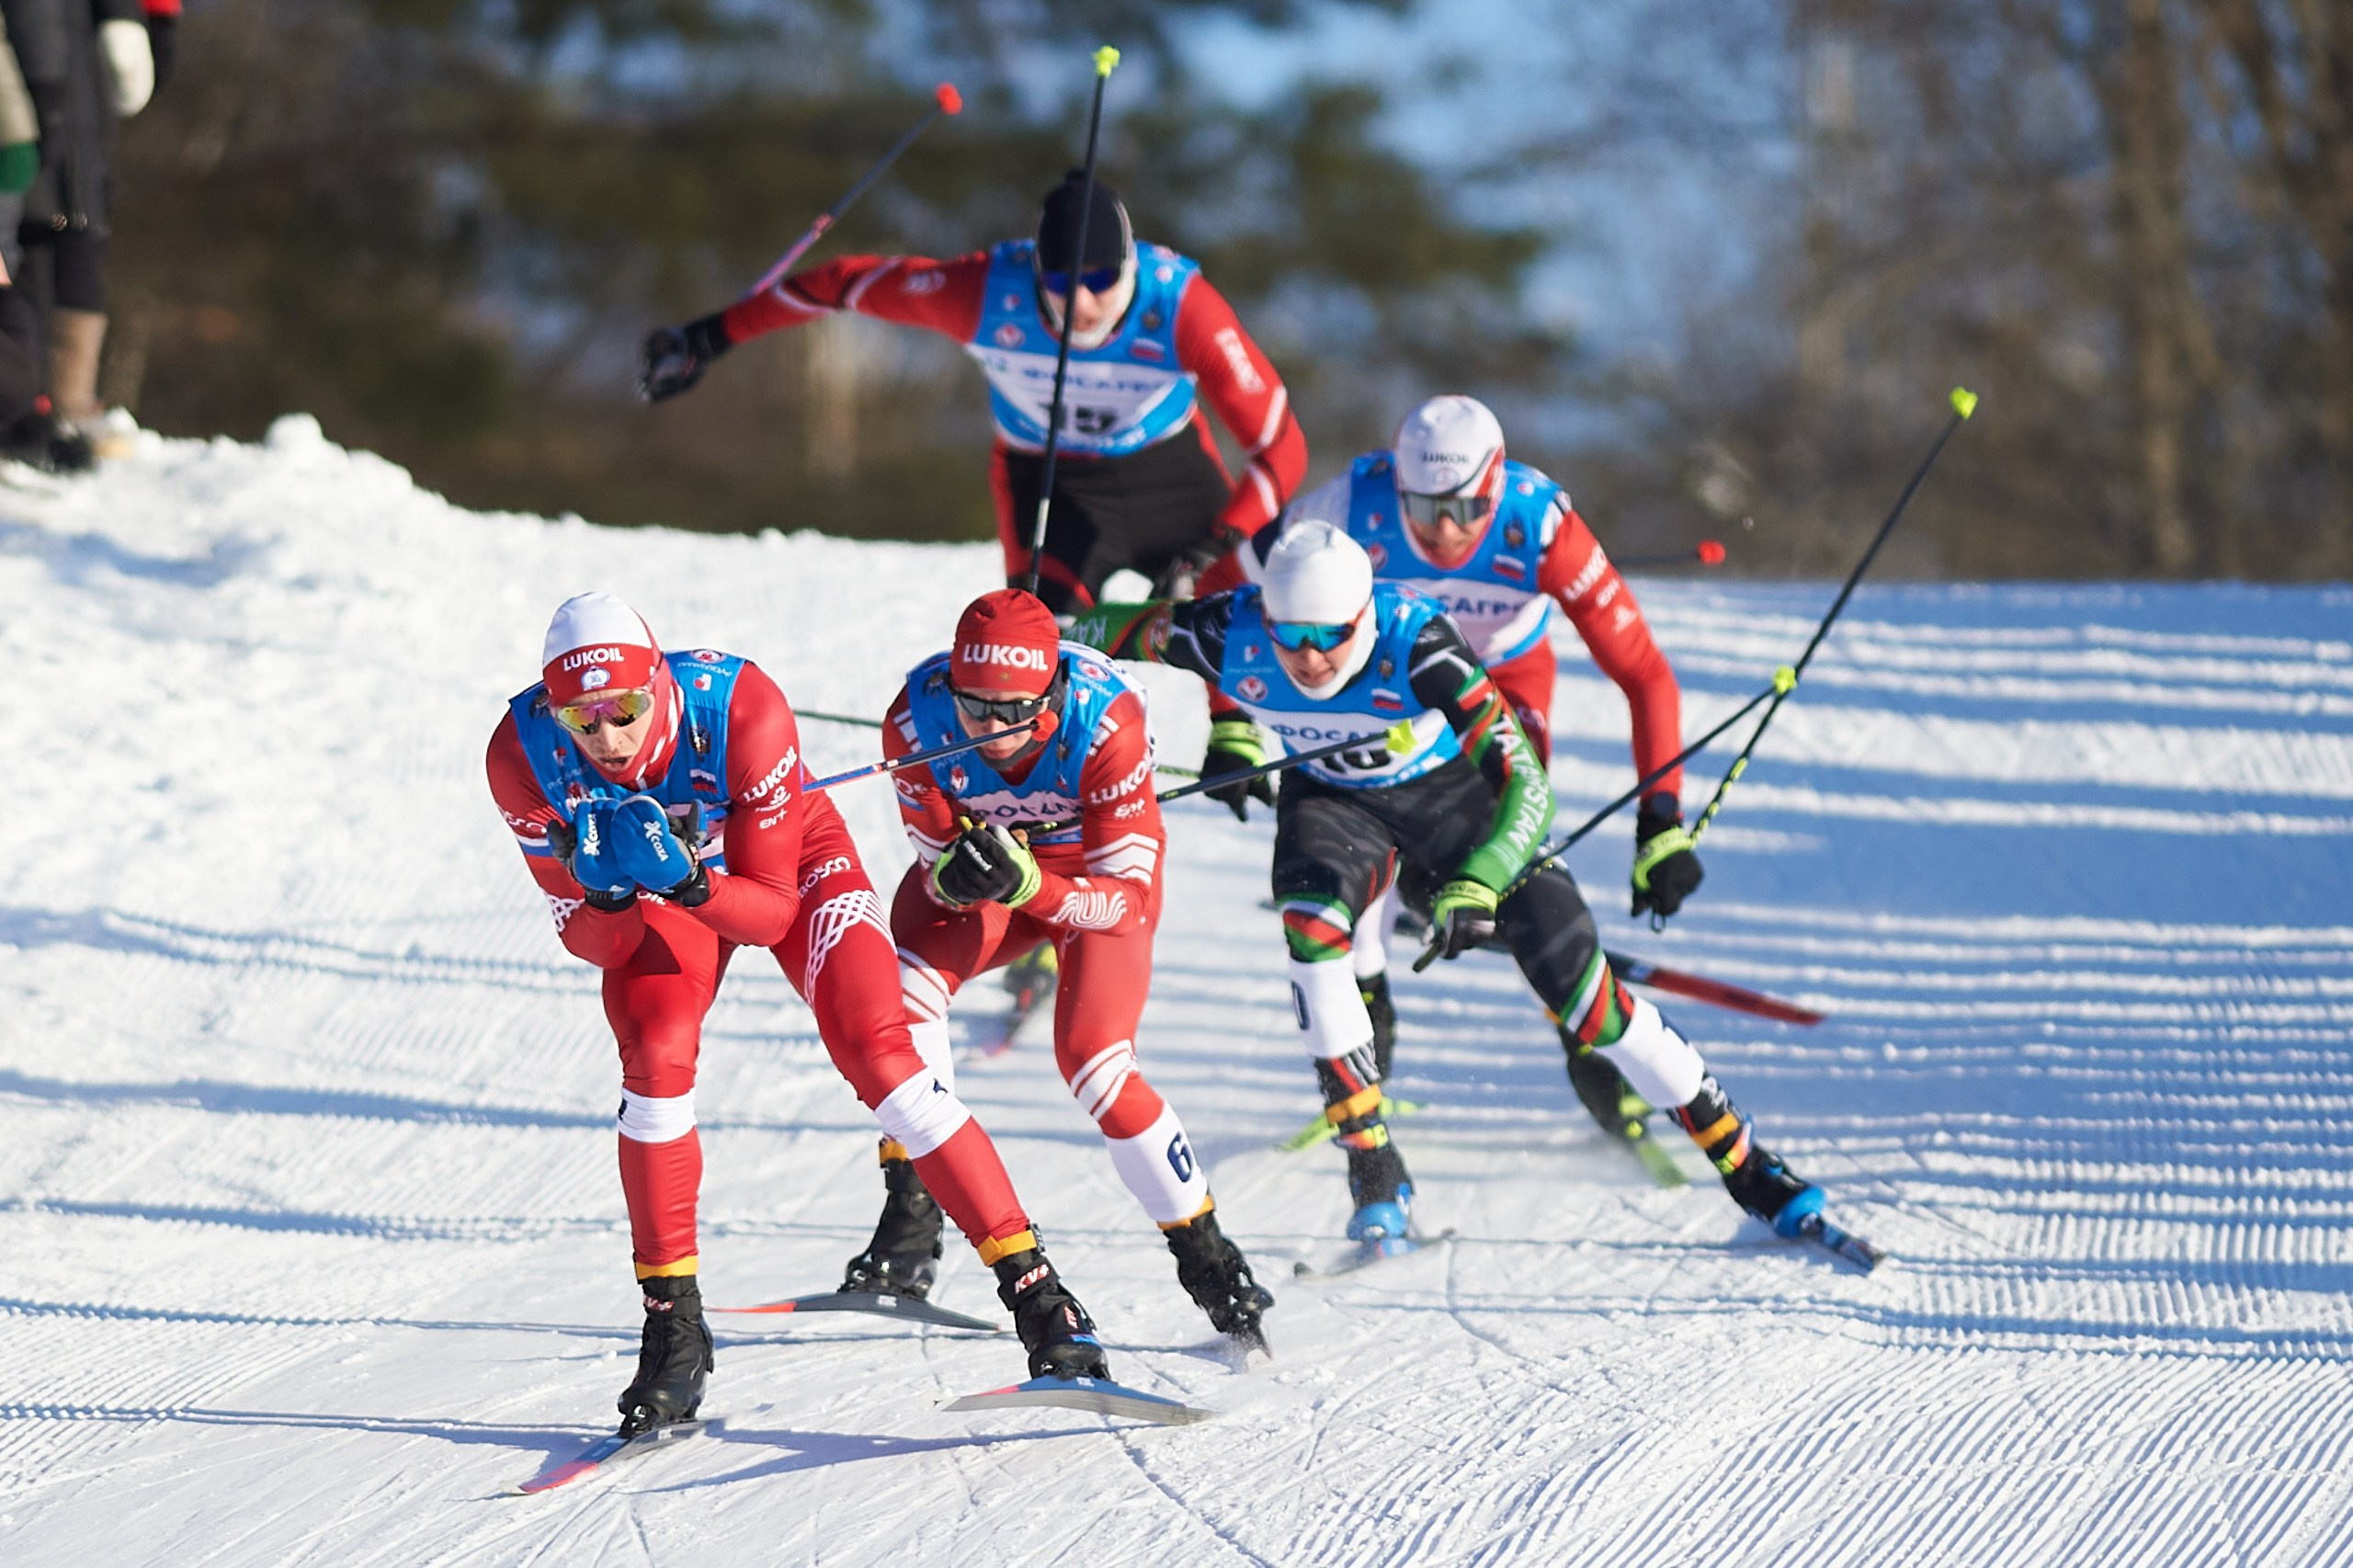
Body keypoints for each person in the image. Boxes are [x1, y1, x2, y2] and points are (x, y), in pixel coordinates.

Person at [1066, 523, 1827, 1248]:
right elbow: (1094, 632)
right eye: (1290, 635)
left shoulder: (1418, 641)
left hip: (1454, 801)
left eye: (1329, 635)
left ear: (1362, 618)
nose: (1309, 657)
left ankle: (1749, 1165)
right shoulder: (1222, 631)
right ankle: (1373, 1171)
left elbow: (1527, 785)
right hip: (1333, 803)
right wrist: (1032, 644)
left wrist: (1480, 881)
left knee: (1586, 999)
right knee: (1311, 931)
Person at [487, 592, 1112, 1434]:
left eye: (625, 710)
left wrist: (689, 880)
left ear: (658, 685)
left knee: (881, 1054)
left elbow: (774, 911)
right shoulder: (521, 752)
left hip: (783, 867)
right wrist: (604, 892)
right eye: (581, 720)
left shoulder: (738, 707)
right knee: (656, 1058)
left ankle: (1042, 1300)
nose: (607, 740)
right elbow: (595, 944)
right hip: (657, 892)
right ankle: (673, 1332)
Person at [1214, 392, 1706, 1154]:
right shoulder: (1349, 504)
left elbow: (1644, 673)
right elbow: (1230, 592)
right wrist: (1233, 725)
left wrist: (1661, 823)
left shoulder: (1539, 526)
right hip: (1380, 684)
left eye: (1466, 509)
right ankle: (1363, 1071)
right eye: (1423, 508)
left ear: (1497, 485)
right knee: (1357, 837)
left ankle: (1588, 1048)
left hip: (1502, 682)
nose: (1445, 531)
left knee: (1508, 839)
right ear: (1396, 484)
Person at [841, 587, 1273, 1347]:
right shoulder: (915, 717)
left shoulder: (1107, 722)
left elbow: (1127, 903)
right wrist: (953, 877)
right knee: (900, 995)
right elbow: (935, 862)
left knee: (1095, 1065)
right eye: (975, 708)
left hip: (1086, 885)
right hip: (996, 877)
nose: (991, 730)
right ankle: (909, 1226)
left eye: (1014, 712)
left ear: (1052, 695)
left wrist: (1033, 886)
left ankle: (1213, 1266)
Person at [636, 173, 1307, 612]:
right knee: (1034, 645)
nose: (1081, 302)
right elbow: (842, 284)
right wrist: (708, 337)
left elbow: (1281, 447)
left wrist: (1213, 543)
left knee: (1234, 609)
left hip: (1167, 472)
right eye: (1061, 281)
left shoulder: (1182, 307)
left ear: (1129, 267)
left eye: (1101, 279)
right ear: (1035, 271)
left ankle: (1237, 742)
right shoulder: (986, 292)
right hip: (1051, 478)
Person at [2, 0, 157, 463]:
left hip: (62, 105)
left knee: (69, 235)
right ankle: (47, 405)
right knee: (53, 239)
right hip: (47, 101)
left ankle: (59, 404)